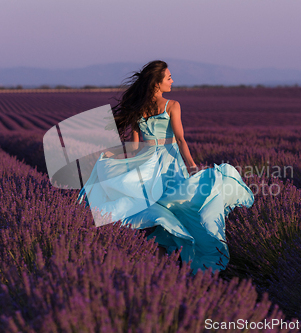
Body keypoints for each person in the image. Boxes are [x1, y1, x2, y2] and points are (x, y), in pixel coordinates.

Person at [77, 60, 254, 274]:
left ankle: (160, 267)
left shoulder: (137, 109)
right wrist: (193, 167)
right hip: (170, 164)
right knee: (180, 206)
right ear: (156, 83)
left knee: (159, 211)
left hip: (146, 166)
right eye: (168, 77)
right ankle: (184, 263)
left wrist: (109, 154)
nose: (172, 81)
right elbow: (180, 140)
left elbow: (133, 148)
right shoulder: (172, 105)